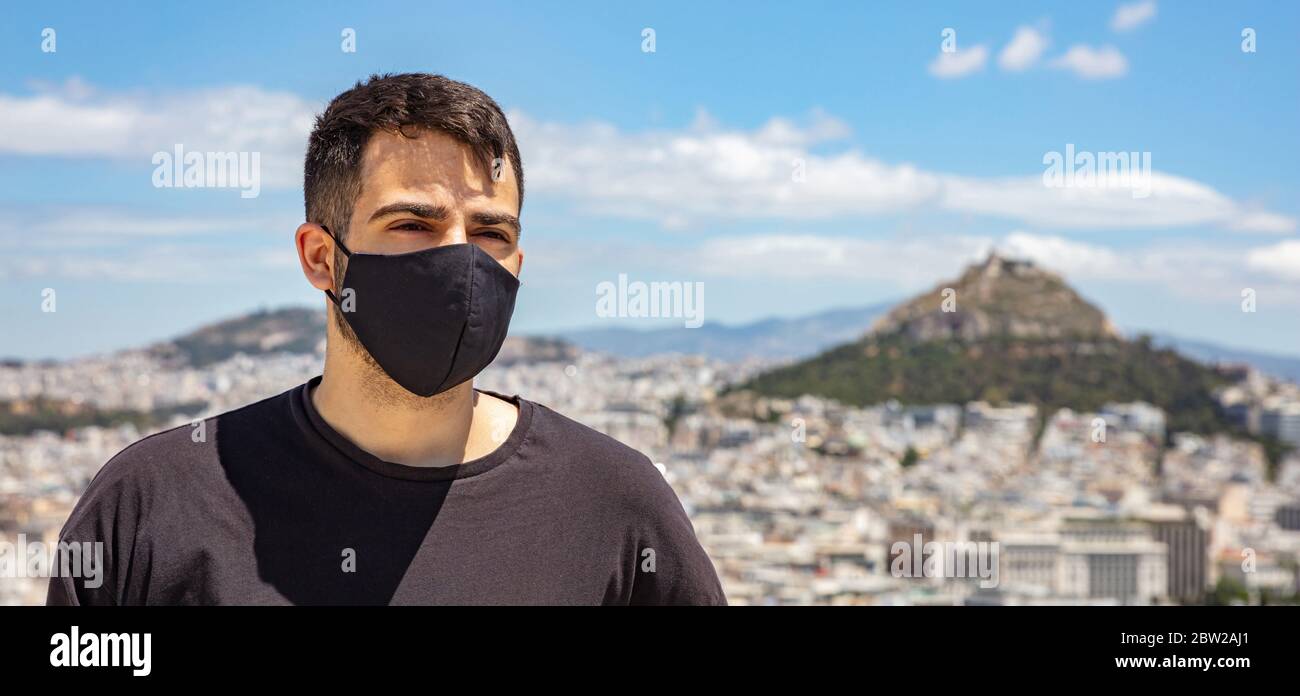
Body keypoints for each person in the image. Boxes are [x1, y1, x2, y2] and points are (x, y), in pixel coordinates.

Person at [47, 73, 726, 605]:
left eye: (491, 234)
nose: (461, 262)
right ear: (320, 257)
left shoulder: (613, 501)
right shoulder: (154, 503)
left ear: (517, 266)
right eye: (412, 224)